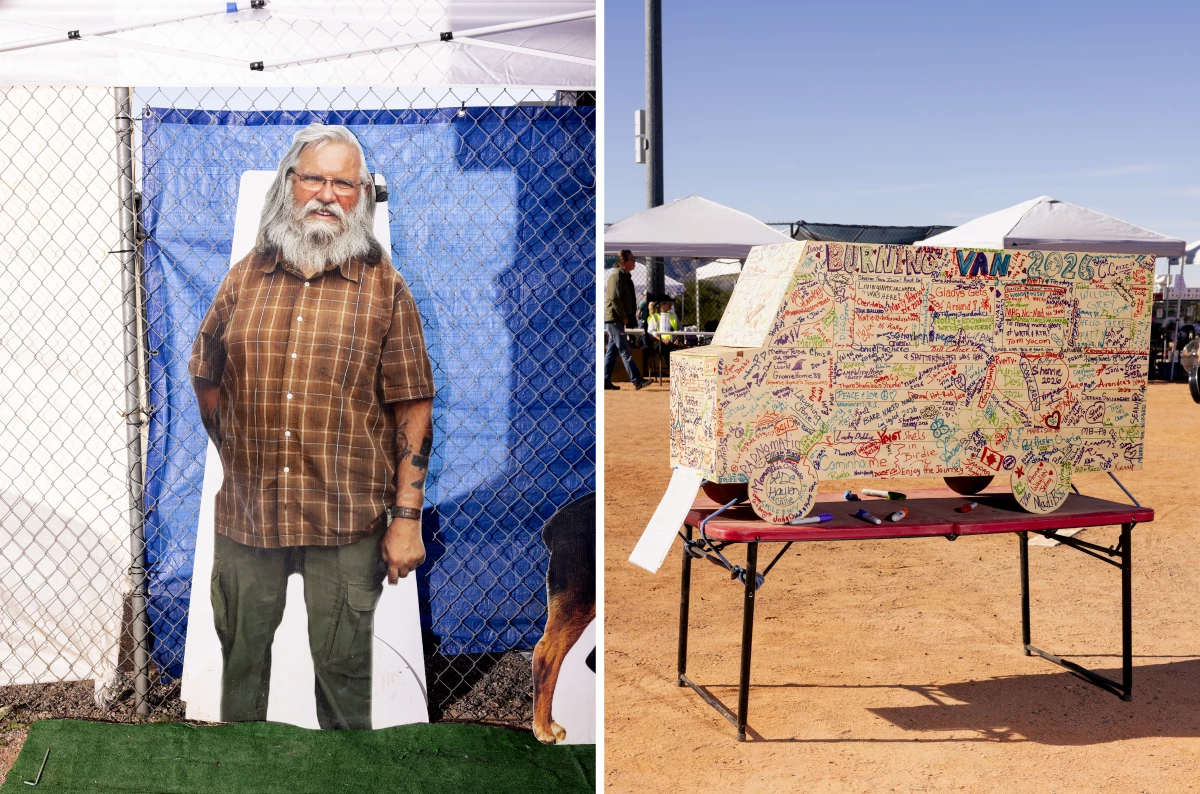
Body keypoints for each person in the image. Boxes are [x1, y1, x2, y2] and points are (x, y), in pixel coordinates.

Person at [189, 123, 435, 729]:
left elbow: (414, 408)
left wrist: (406, 520)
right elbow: (207, 375)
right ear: (289, 185)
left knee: (344, 679)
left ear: (362, 198)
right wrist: (239, 453)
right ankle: (240, 776)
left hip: (346, 518)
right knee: (239, 672)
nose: (326, 194)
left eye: (343, 183)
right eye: (314, 178)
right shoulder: (246, 276)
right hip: (250, 515)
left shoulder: (384, 287)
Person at [604, 250, 647, 390]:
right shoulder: (616, 276)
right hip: (615, 318)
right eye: (632, 259)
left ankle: (605, 380)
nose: (634, 261)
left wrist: (629, 317)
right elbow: (615, 298)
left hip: (617, 318)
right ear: (624, 261)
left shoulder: (625, 276)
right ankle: (637, 380)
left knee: (613, 351)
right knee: (625, 350)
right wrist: (623, 317)